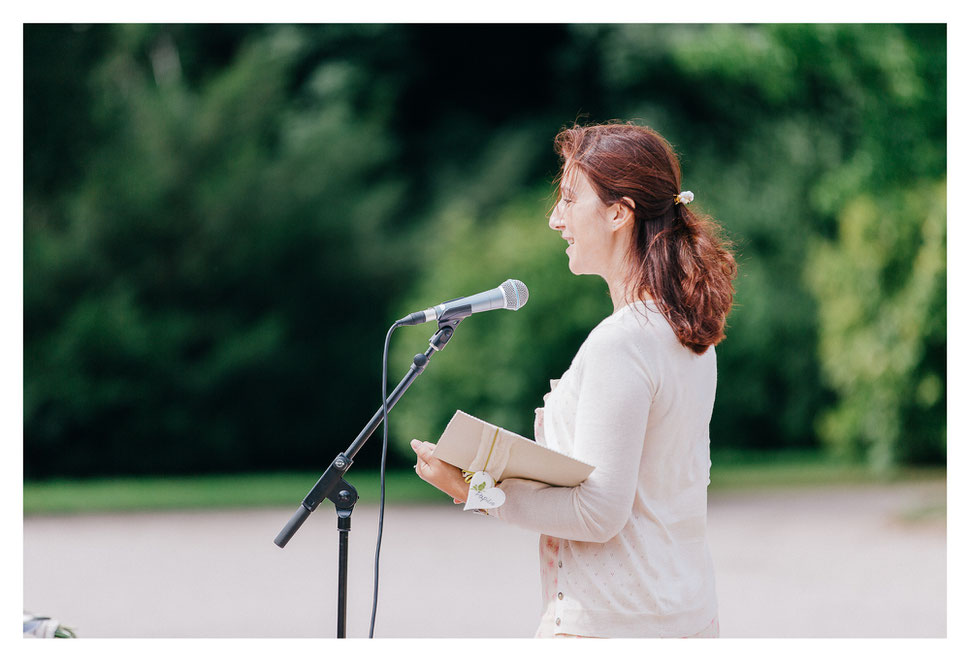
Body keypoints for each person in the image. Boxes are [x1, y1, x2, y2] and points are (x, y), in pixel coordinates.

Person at [410, 121, 737, 638]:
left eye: (568, 199)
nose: (554, 218)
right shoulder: (686, 330)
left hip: (613, 623)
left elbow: (600, 513)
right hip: (686, 613)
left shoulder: (622, 342)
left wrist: (474, 490)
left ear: (617, 212)